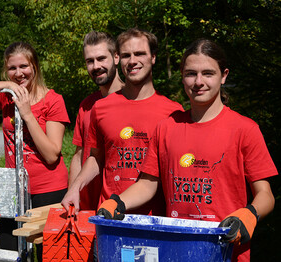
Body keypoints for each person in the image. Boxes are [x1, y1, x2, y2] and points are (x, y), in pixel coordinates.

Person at [97, 39, 278, 262]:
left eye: (208, 73)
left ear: (224, 76)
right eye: (191, 73)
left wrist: (249, 214)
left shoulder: (245, 130)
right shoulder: (166, 127)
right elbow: (148, 184)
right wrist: (117, 202)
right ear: (182, 75)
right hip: (176, 249)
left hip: (224, 250)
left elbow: (266, 194)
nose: (198, 82)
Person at [0, 42, 70, 262]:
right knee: (10, 252)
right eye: (12, 68)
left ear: (35, 66)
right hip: (14, 189)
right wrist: (5, 85)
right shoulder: (6, 97)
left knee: (47, 255)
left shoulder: (53, 100)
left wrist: (28, 114)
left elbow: (51, 154)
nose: (19, 73)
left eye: (24, 66)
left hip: (48, 189)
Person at [61, 28, 183, 215]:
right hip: (108, 215)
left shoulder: (174, 112)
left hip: (153, 219)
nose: (133, 61)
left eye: (140, 54)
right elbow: (95, 157)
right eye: (126, 55)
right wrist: (75, 187)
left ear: (153, 57)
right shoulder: (101, 108)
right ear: (118, 58)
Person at [69, 31, 124, 211]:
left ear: (116, 57)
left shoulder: (133, 101)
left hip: (118, 207)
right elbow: (78, 156)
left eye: (101, 58)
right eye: (90, 61)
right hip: (87, 206)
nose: (96, 66)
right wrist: (72, 194)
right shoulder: (86, 106)